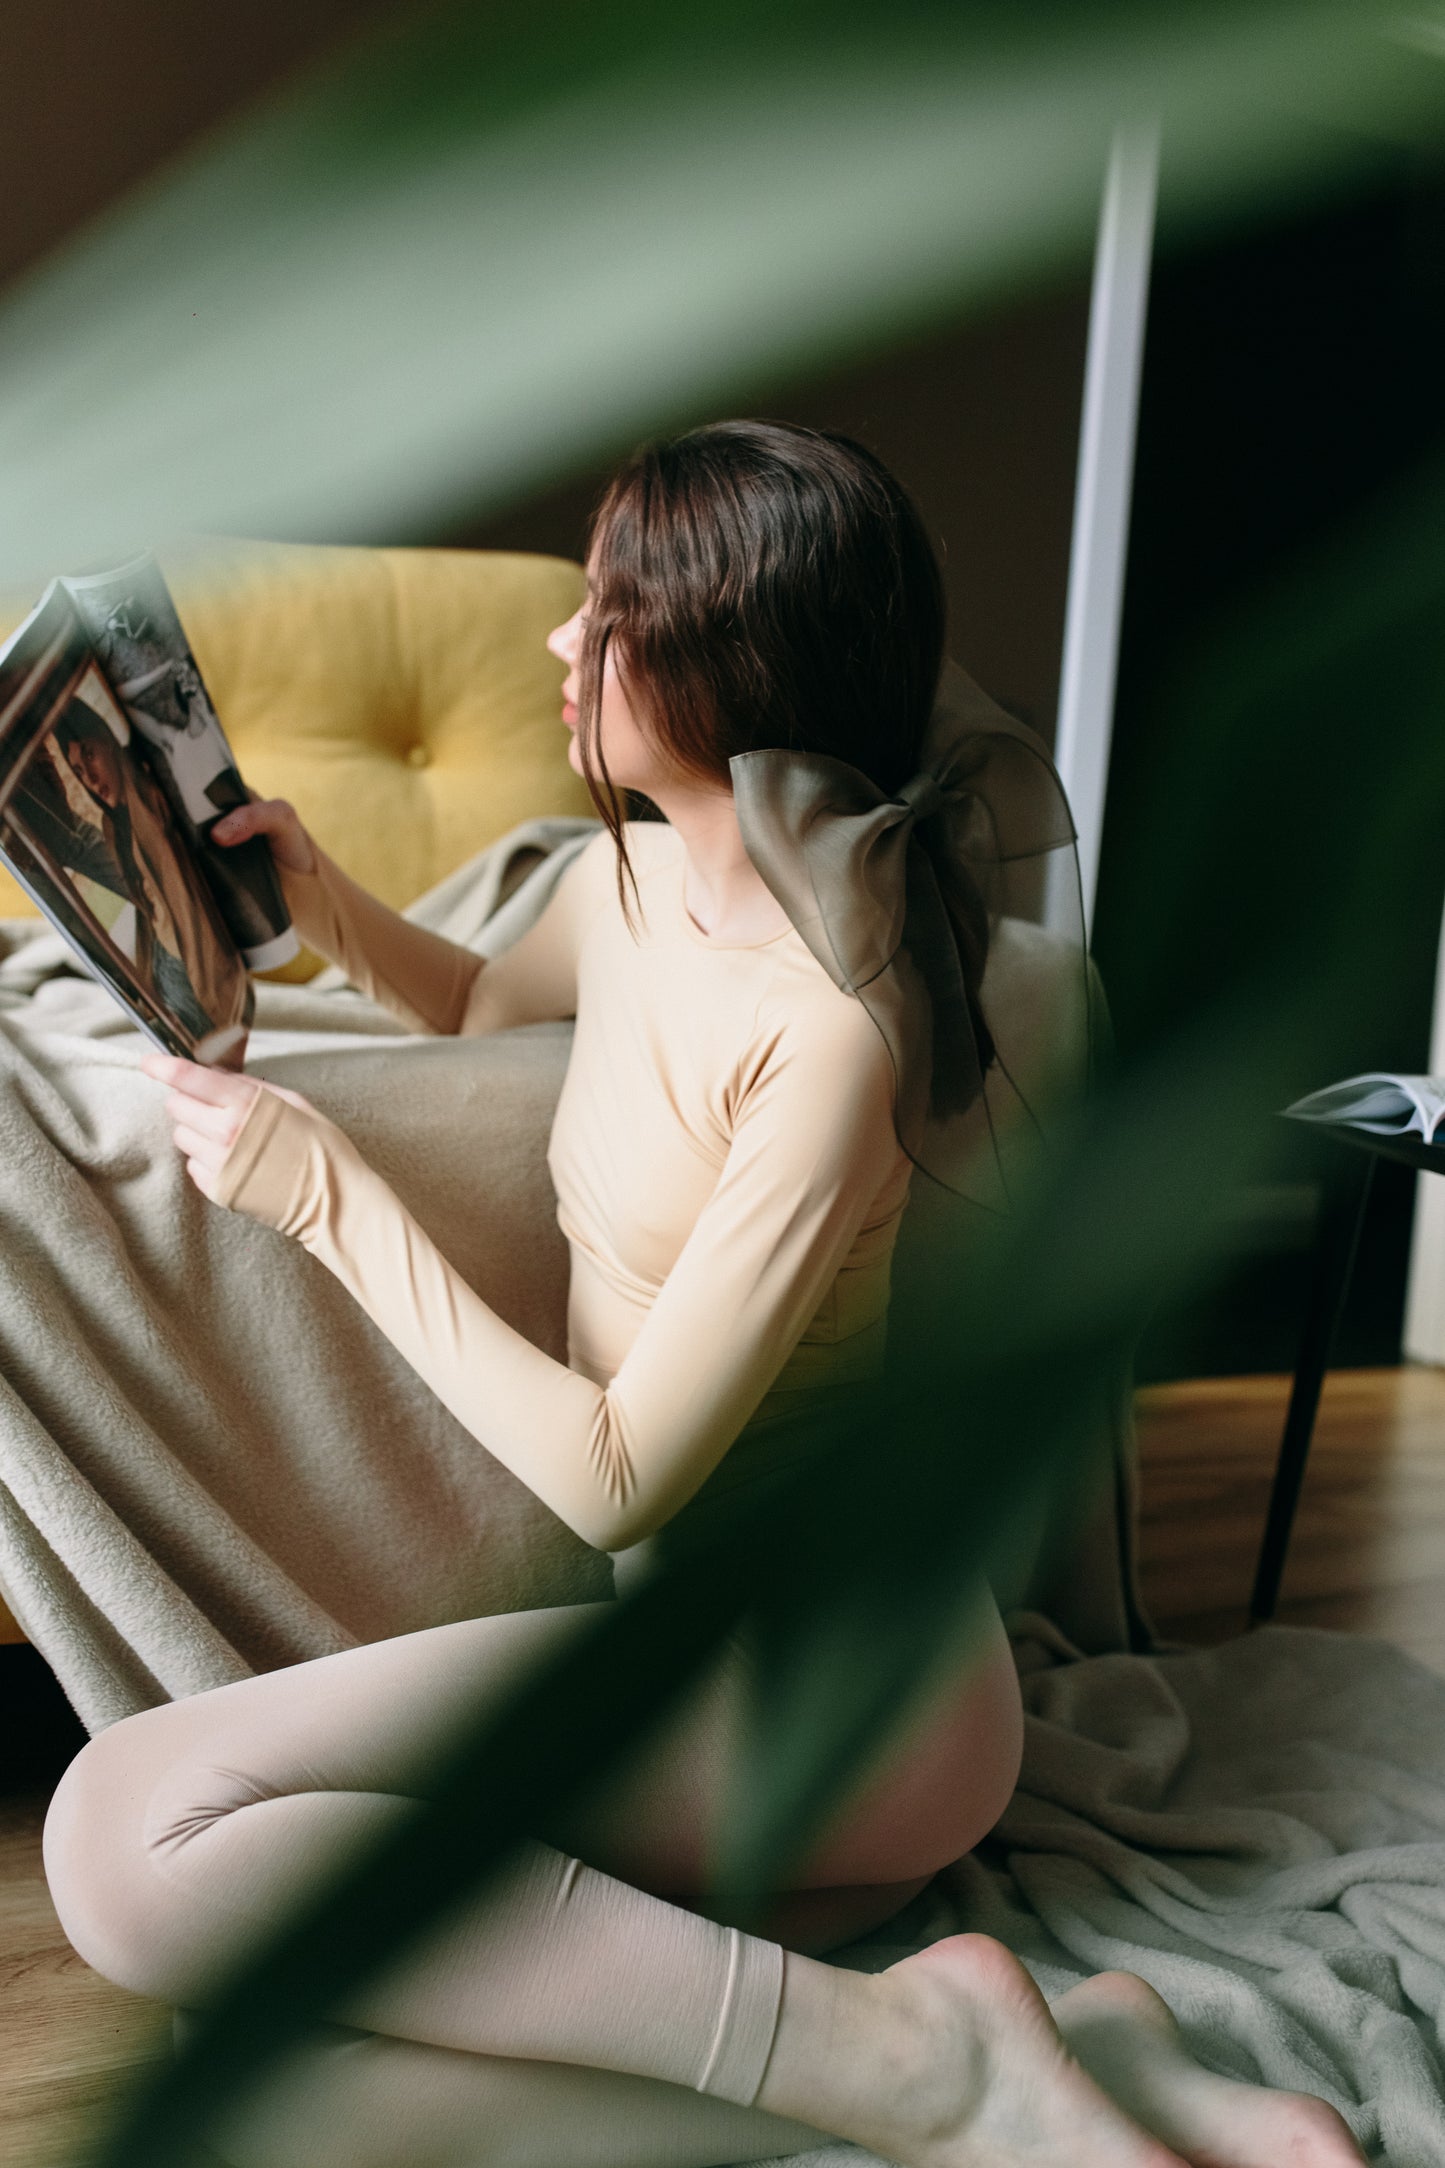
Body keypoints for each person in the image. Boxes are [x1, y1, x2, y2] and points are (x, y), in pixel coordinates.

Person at [41, 424, 1362, 2168]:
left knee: (118, 1838)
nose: (559, 646)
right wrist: (318, 903)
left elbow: (614, 1475)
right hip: (716, 1687)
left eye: (608, 613)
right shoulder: (632, 871)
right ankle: (1039, 2049)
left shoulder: (831, 1032)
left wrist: (327, 1197)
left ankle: (939, 2065)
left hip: (853, 1680)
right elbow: (479, 1003)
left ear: (733, 666)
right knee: (279, 2093)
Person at [49, 697, 249, 1045]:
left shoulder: (149, 795)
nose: (90, 779)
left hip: (194, 976)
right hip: (161, 964)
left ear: (109, 741)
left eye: (90, 755)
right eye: (79, 770)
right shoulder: (116, 827)